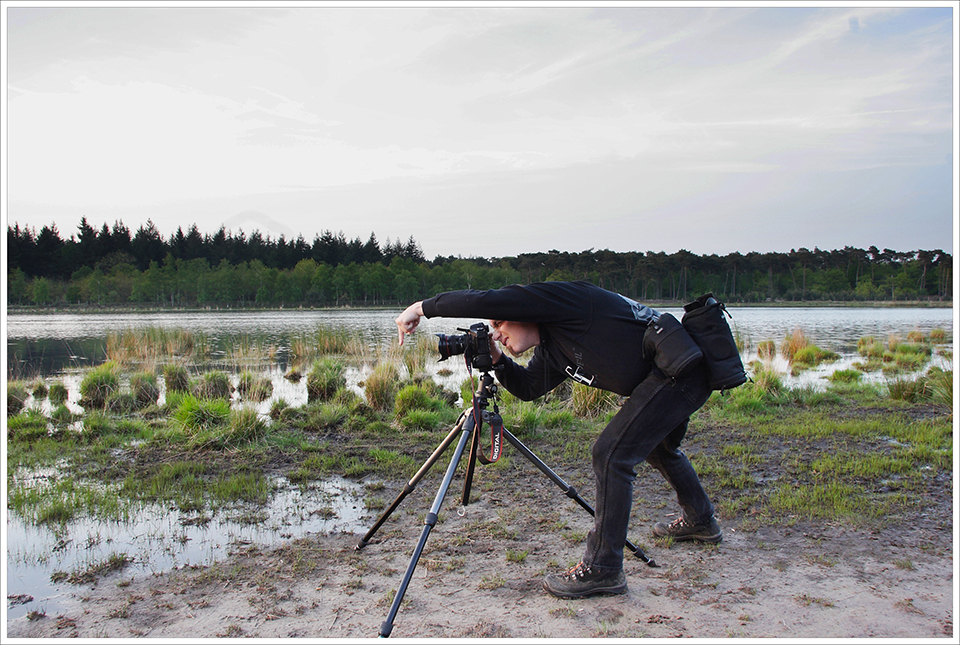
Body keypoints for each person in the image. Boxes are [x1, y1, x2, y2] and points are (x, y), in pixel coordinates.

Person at [395, 280, 721, 599]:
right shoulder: (554, 346)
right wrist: (497, 360)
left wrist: (422, 308)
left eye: (499, 322)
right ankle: (700, 519)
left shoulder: (566, 302)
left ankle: (604, 568)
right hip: (675, 374)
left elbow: (486, 299)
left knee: (611, 454)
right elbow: (528, 388)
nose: (496, 333)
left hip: (680, 373)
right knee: (660, 449)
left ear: (522, 310)